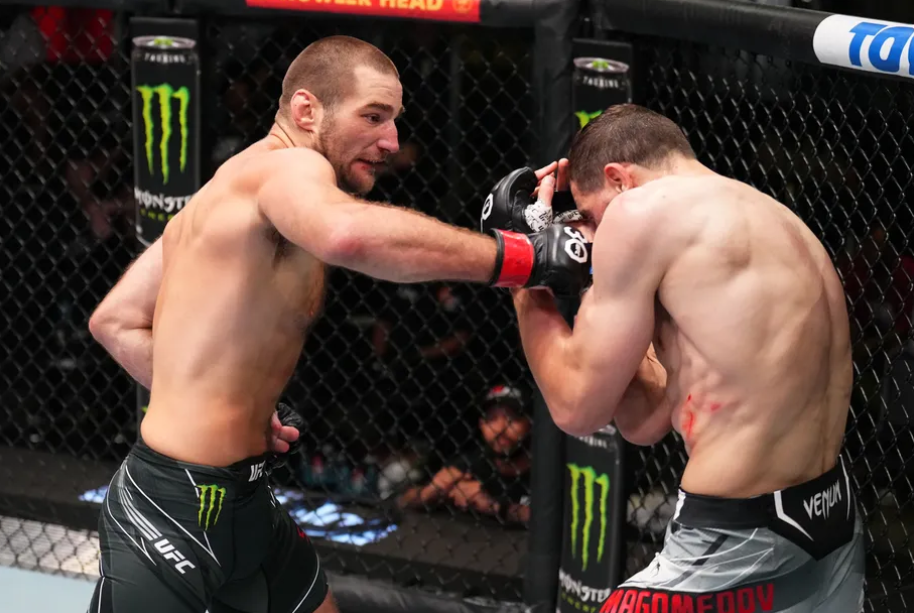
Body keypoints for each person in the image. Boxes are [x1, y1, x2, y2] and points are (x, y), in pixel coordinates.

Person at [86, 35, 589, 613]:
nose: (391, 140)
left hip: (246, 500)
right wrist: (523, 258)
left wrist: (222, 403)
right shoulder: (289, 167)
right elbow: (346, 234)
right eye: (373, 116)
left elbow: (115, 321)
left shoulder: (226, 190)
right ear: (306, 111)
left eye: (395, 120)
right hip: (171, 510)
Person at [482, 104, 864, 612]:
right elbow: (643, 421)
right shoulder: (773, 219)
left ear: (619, 180)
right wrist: (602, 286)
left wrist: (523, 267)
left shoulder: (639, 212)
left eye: (590, 216)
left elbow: (576, 408)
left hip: (736, 531)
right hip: (829, 514)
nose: (590, 233)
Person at [397, 384, 532, 525]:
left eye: (511, 419)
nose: (499, 429)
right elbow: (404, 500)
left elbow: (544, 516)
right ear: (481, 425)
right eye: (491, 419)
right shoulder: (472, 463)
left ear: (530, 423)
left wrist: (494, 506)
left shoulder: (543, 470)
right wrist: (431, 491)